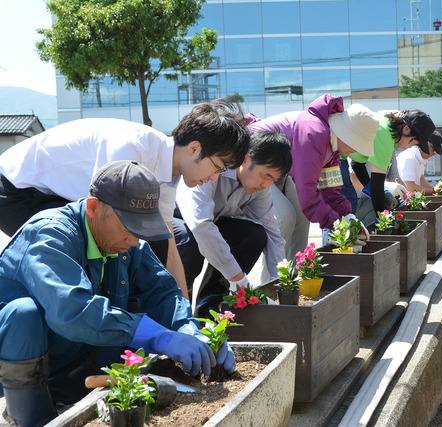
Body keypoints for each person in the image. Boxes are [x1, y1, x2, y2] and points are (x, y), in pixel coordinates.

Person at [0, 161, 235, 426]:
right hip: (21, 354)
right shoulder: (49, 236)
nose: (134, 241)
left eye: (140, 229)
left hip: (69, 353)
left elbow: (163, 292)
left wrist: (187, 329)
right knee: (24, 314)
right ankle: (29, 416)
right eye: (127, 227)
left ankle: (70, 396)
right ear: (93, 207)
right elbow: (72, 311)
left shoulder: (124, 242)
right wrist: (158, 336)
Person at [0, 99, 250, 299]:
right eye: (217, 167)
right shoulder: (131, 150)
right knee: (86, 245)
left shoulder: (169, 170)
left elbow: (166, 238)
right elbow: (99, 219)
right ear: (194, 149)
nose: (215, 178)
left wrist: (183, 310)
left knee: (172, 236)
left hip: (61, 195)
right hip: (18, 191)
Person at [173, 131, 292, 310]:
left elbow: (273, 234)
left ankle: (210, 308)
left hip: (204, 223)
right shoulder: (214, 168)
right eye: (265, 176)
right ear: (246, 160)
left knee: (254, 235)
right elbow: (200, 225)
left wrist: (284, 285)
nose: (266, 184)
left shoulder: (260, 190)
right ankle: (179, 306)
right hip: (172, 220)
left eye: (273, 180)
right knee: (189, 238)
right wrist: (237, 278)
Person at [248, 94, 377, 256]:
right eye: (358, 144)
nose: (357, 151)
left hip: (277, 170)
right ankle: (274, 279)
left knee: (301, 217)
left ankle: (297, 275)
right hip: (253, 164)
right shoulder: (314, 134)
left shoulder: (333, 149)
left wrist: (347, 214)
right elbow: (307, 193)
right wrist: (337, 225)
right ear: (347, 134)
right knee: (284, 218)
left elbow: (329, 189)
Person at [342, 109, 439, 215]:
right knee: (342, 208)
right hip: (335, 153)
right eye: (413, 141)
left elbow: (357, 164)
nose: (410, 146)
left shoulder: (386, 123)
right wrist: (382, 219)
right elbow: (377, 186)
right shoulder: (386, 137)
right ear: (406, 129)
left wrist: (374, 192)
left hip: (339, 153)